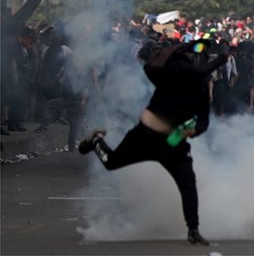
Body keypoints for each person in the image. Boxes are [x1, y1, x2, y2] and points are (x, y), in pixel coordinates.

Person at [77, 39, 230, 246]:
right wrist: (190, 46)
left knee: (188, 184)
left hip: (174, 141)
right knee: (111, 163)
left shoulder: (201, 89)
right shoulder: (168, 73)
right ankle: (96, 142)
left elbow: (203, 120)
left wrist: (194, 131)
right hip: (145, 136)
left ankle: (193, 230)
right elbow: (156, 64)